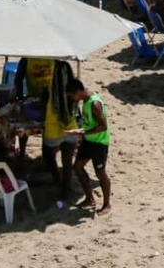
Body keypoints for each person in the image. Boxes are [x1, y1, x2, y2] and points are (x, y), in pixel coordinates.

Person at [66, 79, 112, 215]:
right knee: (78, 167)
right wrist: (82, 135)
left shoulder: (95, 104)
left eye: (72, 95)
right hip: (88, 140)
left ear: (79, 92)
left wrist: (82, 132)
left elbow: (103, 126)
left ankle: (107, 204)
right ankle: (90, 198)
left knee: (100, 173)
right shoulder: (85, 102)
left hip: (99, 143)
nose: (73, 98)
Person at [42, 60, 78, 198]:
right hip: (70, 126)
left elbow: (44, 102)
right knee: (67, 161)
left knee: (48, 156)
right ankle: (65, 189)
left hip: (53, 127)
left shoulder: (51, 86)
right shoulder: (75, 86)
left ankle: (57, 179)